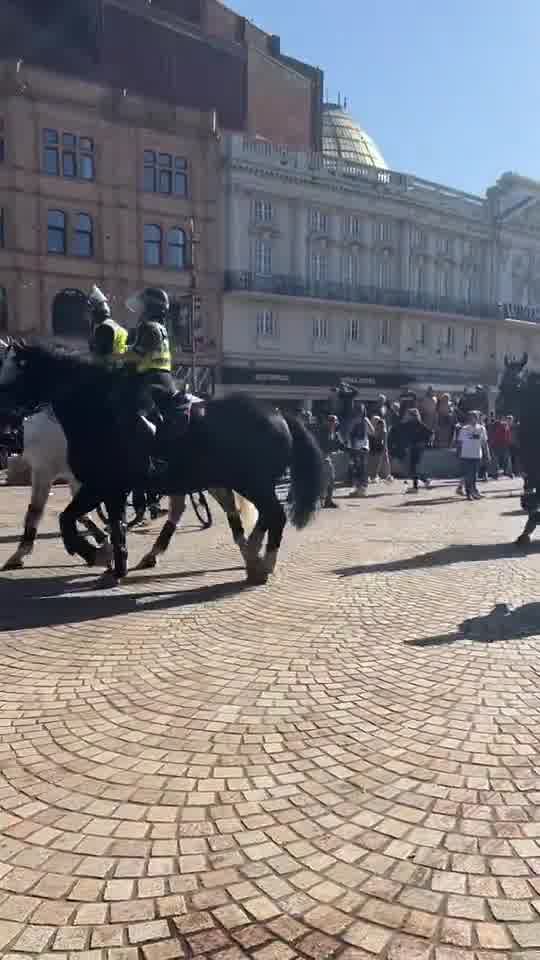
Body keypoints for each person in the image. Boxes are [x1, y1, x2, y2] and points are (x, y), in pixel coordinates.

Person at [338, 400, 374, 498]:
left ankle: (361, 489)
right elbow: (372, 432)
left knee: (358, 469)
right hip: (362, 447)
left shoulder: (353, 420)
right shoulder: (364, 420)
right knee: (360, 469)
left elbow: (348, 434)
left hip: (357, 448)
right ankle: (360, 489)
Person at [87, 285, 128, 366]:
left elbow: (100, 355)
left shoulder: (104, 328)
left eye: (91, 312)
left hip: (107, 371)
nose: (89, 316)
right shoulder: (115, 325)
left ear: (96, 312)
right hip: (117, 368)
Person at [457, 410, 490, 500]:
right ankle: (468, 493)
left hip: (477, 454)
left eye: (475, 417)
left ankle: (474, 491)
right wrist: (459, 454)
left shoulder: (481, 428)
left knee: (474, 475)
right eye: (471, 417)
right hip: (466, 455)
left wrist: (487, 453)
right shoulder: (464, 429)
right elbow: (459, 443)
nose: (473, 419)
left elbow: (484, 443)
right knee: (468, 475)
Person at [399, 408, 432, 492]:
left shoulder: (416, 423)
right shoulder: (412, 423)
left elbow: (429, 433)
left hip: (416, 447)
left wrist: (425, 442)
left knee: (413, 467)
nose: (406, 416)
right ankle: (424, 480)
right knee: (413, 468)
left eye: (408, 415)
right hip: (414, 447)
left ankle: (416, 486)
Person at [316, 414, 340, 508]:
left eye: (334, 421)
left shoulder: (333, 432)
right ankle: (324, 500)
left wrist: (349, 449)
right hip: (321, 457)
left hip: (325, 457)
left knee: (331, 479)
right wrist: (334, 447)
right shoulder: (323, 431)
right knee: (326, 479)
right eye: (331, 421)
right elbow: (325, 445)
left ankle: (327, 501)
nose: (333, 423)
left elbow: (338, 444)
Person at [368, 416, 389, 482]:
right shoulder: (369, 429)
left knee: (378, 462)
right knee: (371, 463)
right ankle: (371, 476)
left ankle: (375, 476)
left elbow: (384, 441)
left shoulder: (383, 430)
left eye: (377, 420)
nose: (375, 422)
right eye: (374, 420)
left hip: (379, 448)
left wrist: (385, 449)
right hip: (371, 448)